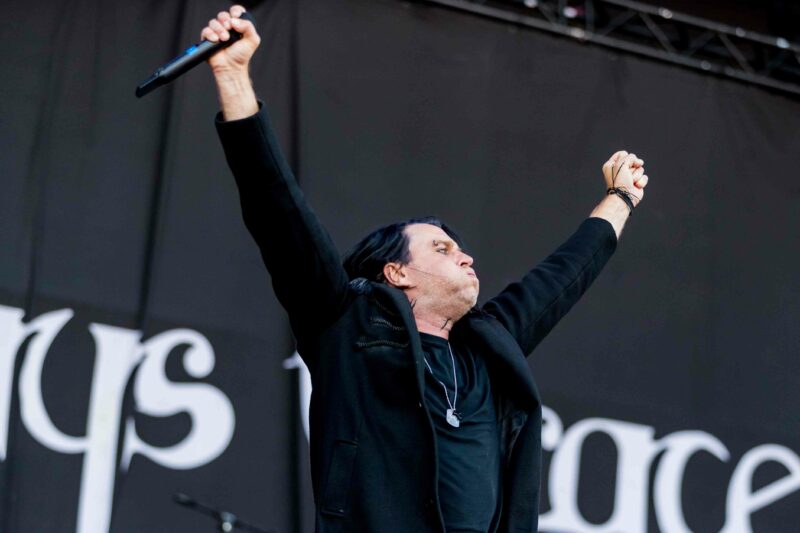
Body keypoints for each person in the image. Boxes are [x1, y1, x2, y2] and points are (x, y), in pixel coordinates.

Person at [201, 6, 649, 533]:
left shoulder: (488, 346)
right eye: (441, 248)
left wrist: (621, 197)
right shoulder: (347, 325)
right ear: (397, 273)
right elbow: (279, 213)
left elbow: (563, 277)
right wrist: (233, 75)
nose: (465, 257)